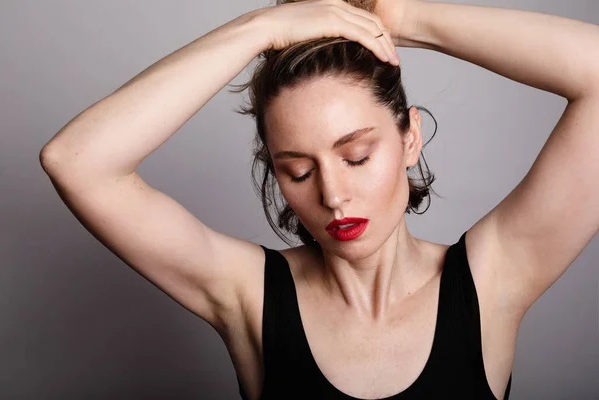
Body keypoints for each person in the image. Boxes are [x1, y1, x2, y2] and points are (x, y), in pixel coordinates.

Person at [39, 0, 599, 398]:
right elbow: (77, 161)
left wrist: (394, 15)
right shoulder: (248, 296)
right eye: (299, 171)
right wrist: (260, 28)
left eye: (356, 156)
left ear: (410, 138)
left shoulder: (495, 277)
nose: (332, 195)